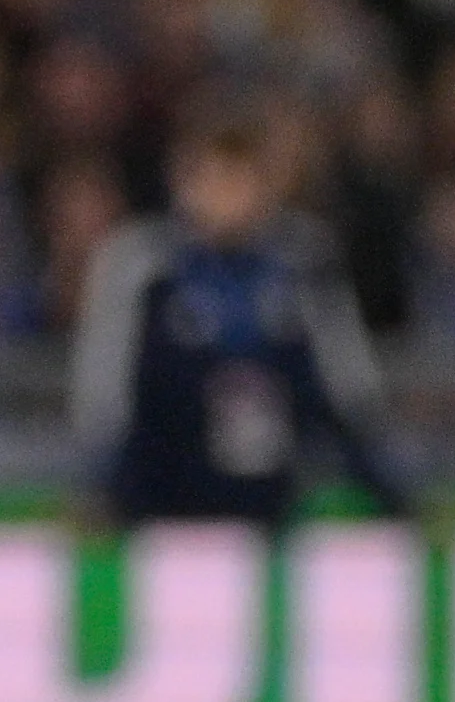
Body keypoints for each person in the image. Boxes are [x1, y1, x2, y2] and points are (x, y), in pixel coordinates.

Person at [72, 104, 416, 530]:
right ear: (185, 182)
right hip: (161, 514)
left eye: (242, 179)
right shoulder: (142, 267)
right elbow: (106, 394)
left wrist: (389, 491)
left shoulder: (303, 263)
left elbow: (346, 392)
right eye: (216, 179)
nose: (230, 196)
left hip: (268, 512)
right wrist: (102, 488)